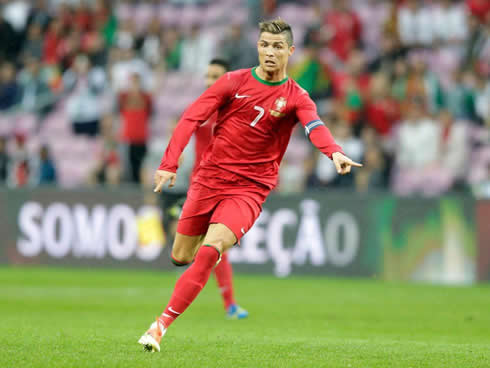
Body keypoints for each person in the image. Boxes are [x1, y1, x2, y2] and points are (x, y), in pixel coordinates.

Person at [138, 19, 361, 352]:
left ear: (290, 51)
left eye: (277, 47)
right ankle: (204, 263)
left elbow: (315, 126)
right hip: (208, 179)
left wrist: (334, 152)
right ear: (258, 47)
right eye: (264, 45)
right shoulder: (233, 81)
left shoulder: (296, 96)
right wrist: (169, 163)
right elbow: (190, 117)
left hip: (249, 189)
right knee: (181, 255)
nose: (270, 52)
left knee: (211, 250)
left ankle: (159, 327)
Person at [165, 58, 249, 320]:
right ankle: (227, 303)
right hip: (199, 186)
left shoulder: (237, 110)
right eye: (208, 76)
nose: (210, 82)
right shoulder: (204, 106)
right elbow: (181, 125)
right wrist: (174, 156)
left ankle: (228, 303)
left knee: (216, 249)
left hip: (227, 188)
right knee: (207, 249)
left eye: (216, 77)